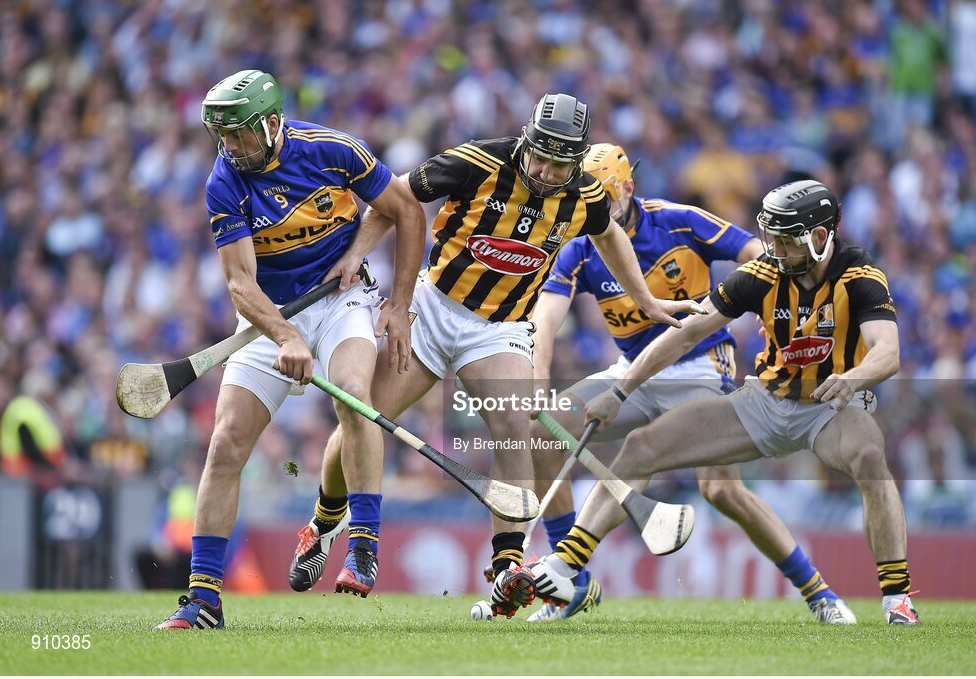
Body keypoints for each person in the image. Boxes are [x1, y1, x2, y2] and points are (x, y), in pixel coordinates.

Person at [288, 94, 703, 617]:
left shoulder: (584, 192)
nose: (548, 172)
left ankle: (507, 567)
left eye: (560, 164)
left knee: (513, 427)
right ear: (525, 141)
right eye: (540, 157)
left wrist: (644, 298)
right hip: (433, 308)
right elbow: (393, 199)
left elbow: (609, 234)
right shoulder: (473, 162)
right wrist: (356, 254)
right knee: (366, 416)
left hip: (501, 328)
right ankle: (327, 517)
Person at [529, 179, 921, 626]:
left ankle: (896, 599)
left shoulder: (860, 277)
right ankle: (565, 566)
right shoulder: (761, 275)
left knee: (871, 459)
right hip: (764, 403)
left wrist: (853, 379)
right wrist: (619, 392)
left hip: (831, 408)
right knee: (641, 446)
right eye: (770, 237)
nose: (772, 249)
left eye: (784, 240)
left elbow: (888, 352)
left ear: (818, 237)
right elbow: (687, 333)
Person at [155, 70, 426, 630]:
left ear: (273, 123)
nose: (232, 148)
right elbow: (239, 284)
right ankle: (203, 599)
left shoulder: (333, 151)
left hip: (342, 300)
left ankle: (362, 548)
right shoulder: (223, 182)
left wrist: (397, 305)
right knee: (225, 443)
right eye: (223, 136)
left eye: (242, 135)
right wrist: (286, 336)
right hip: (269, 314)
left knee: (354, 397)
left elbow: (406, 211)